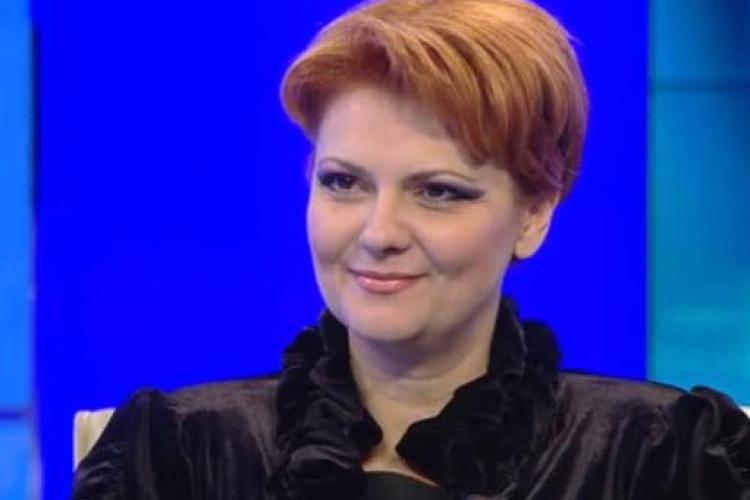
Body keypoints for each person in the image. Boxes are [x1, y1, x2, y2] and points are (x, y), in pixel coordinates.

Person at [72, 0, 750, 498]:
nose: (379, 232)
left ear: (534, 214)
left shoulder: (666, 458)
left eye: (438, 192)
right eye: (343, 183)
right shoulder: (176, 455)